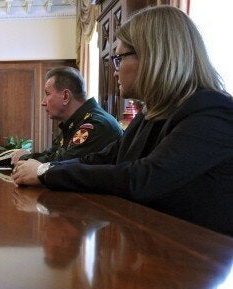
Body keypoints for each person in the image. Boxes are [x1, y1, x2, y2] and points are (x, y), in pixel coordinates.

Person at [12, 6, 233, 236]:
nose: (114, 71)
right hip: (153, 243)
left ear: (152, 56)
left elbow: (143, 178)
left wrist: (46, 172)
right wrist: (45, 169)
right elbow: (105, 157)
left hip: (198, 258)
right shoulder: (152, 112)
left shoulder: (211, 111)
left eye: (119, 58)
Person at [9, 66, 122, 164]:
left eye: (47, 94)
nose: (43, 102)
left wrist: (24, 158)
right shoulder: (73, 123)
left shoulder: (96, 124)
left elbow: (62, 164)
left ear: (66, 97)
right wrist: (27, 157)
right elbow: (52, 154)